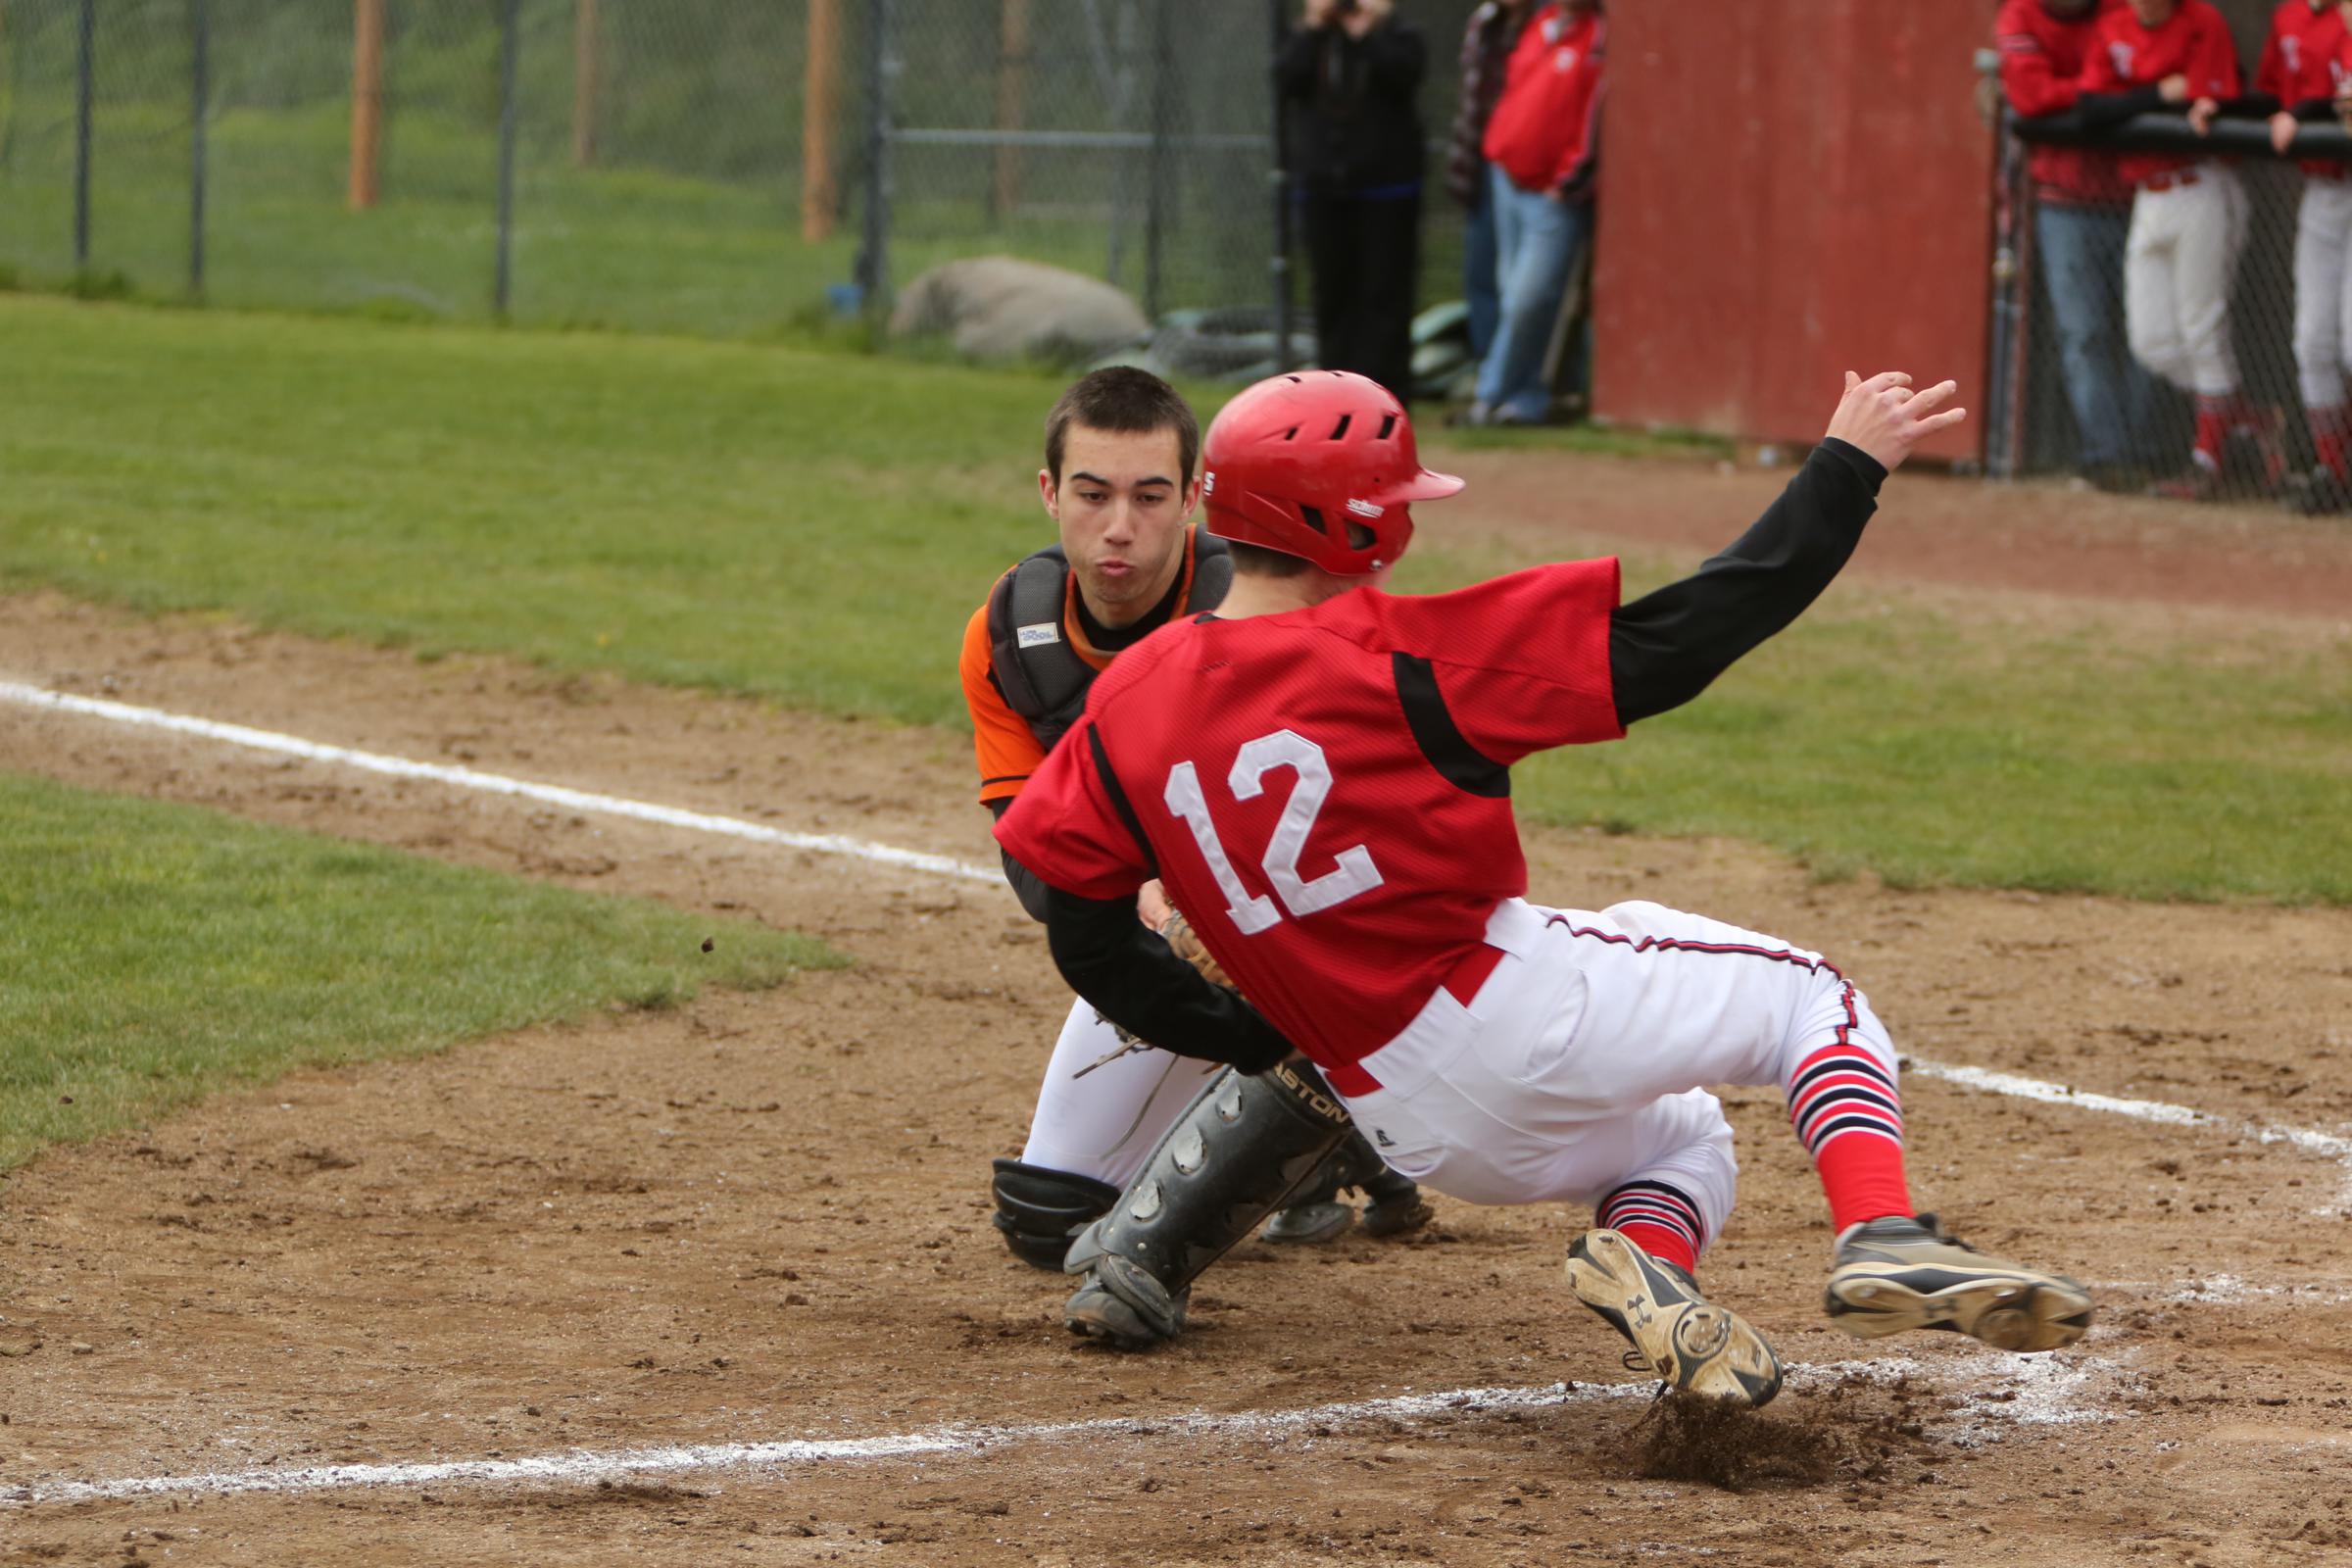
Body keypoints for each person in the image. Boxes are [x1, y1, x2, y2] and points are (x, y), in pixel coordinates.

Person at [995, 368, 2094, 1405]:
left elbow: (1087, 937)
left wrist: (1242, 1030)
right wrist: (1846, 468)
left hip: (1401, 1115)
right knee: (1816, 999)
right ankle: (1883, 1233)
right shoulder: (1398, 657)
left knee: (1687, 1139)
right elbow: (1694, 630)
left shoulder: (1126, 701)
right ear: (1353, 524)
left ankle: (1649, 1260)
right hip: (1512, 1008)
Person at [960, 367, 1428, 1274]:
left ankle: (1327, 1091)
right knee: (1049, 1218)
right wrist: (1139, 894)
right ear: (1050, 493)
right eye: (1092, 494)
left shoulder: (1262, 606)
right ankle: (1309, 1129)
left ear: (1193, 499)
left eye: (1150, 496)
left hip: (1323, 931)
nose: (1119, 526)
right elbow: (1032, 855)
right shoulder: (1011, 637)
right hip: (1175, 946)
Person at [2079, 0, 2282, 501]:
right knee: (2151, 343)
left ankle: (2206, 463)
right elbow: (2091, 109)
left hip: (2202, 187)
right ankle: (2249, 418)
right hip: (2148, 195)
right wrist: (2154, 94)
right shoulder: (2114, 25)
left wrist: (2140, 100)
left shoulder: (2200, 20)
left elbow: (2209, 99)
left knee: (2201, 330)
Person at [1995, 0, 2159, 491]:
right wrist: (2104, 98)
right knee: (2084, 333)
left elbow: (2155, 78)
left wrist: (2108, 100)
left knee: (2149, 332)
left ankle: (2142, 453)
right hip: (2064, 200)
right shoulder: (2021, 15)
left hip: (2138, 194)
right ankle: (2107, 457)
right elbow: (2031, 96)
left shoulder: (2123, 11)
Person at [1276, 0, 1430, 399]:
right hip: (1323, 188)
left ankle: (1387, 395)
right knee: (1331, 293)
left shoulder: (1399, 35)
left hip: (1387, 189)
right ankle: (1335, 393)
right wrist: (1313, 25)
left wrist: (1366, 34)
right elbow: (1285, 80)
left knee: (1385, 294)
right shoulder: (1309, 38)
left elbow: (1404, 76)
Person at [1467, 0, 1603, 427]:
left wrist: (1570, 180)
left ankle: (1489, 395)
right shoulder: (1540, 23)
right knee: (1512, 296)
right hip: (1506, 177)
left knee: (1531, 298)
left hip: (1553, 194)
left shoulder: (1598, 35)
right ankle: (1526, 399)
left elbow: (1596, 116)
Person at [2256, 0, 2352, 513]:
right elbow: (2290, 95)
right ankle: (2333, 472)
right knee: (2313, 342)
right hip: (2323, 189)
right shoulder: (2296, 19)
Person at [1445, 1, 1539, 368]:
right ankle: (1488, 368)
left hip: (1534, 168)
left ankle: (1529, 373)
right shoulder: (1483, 23)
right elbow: (1470, 103)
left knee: (1528, 285)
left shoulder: (1550, 22)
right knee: (1482, 275)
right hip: (1483, 166)